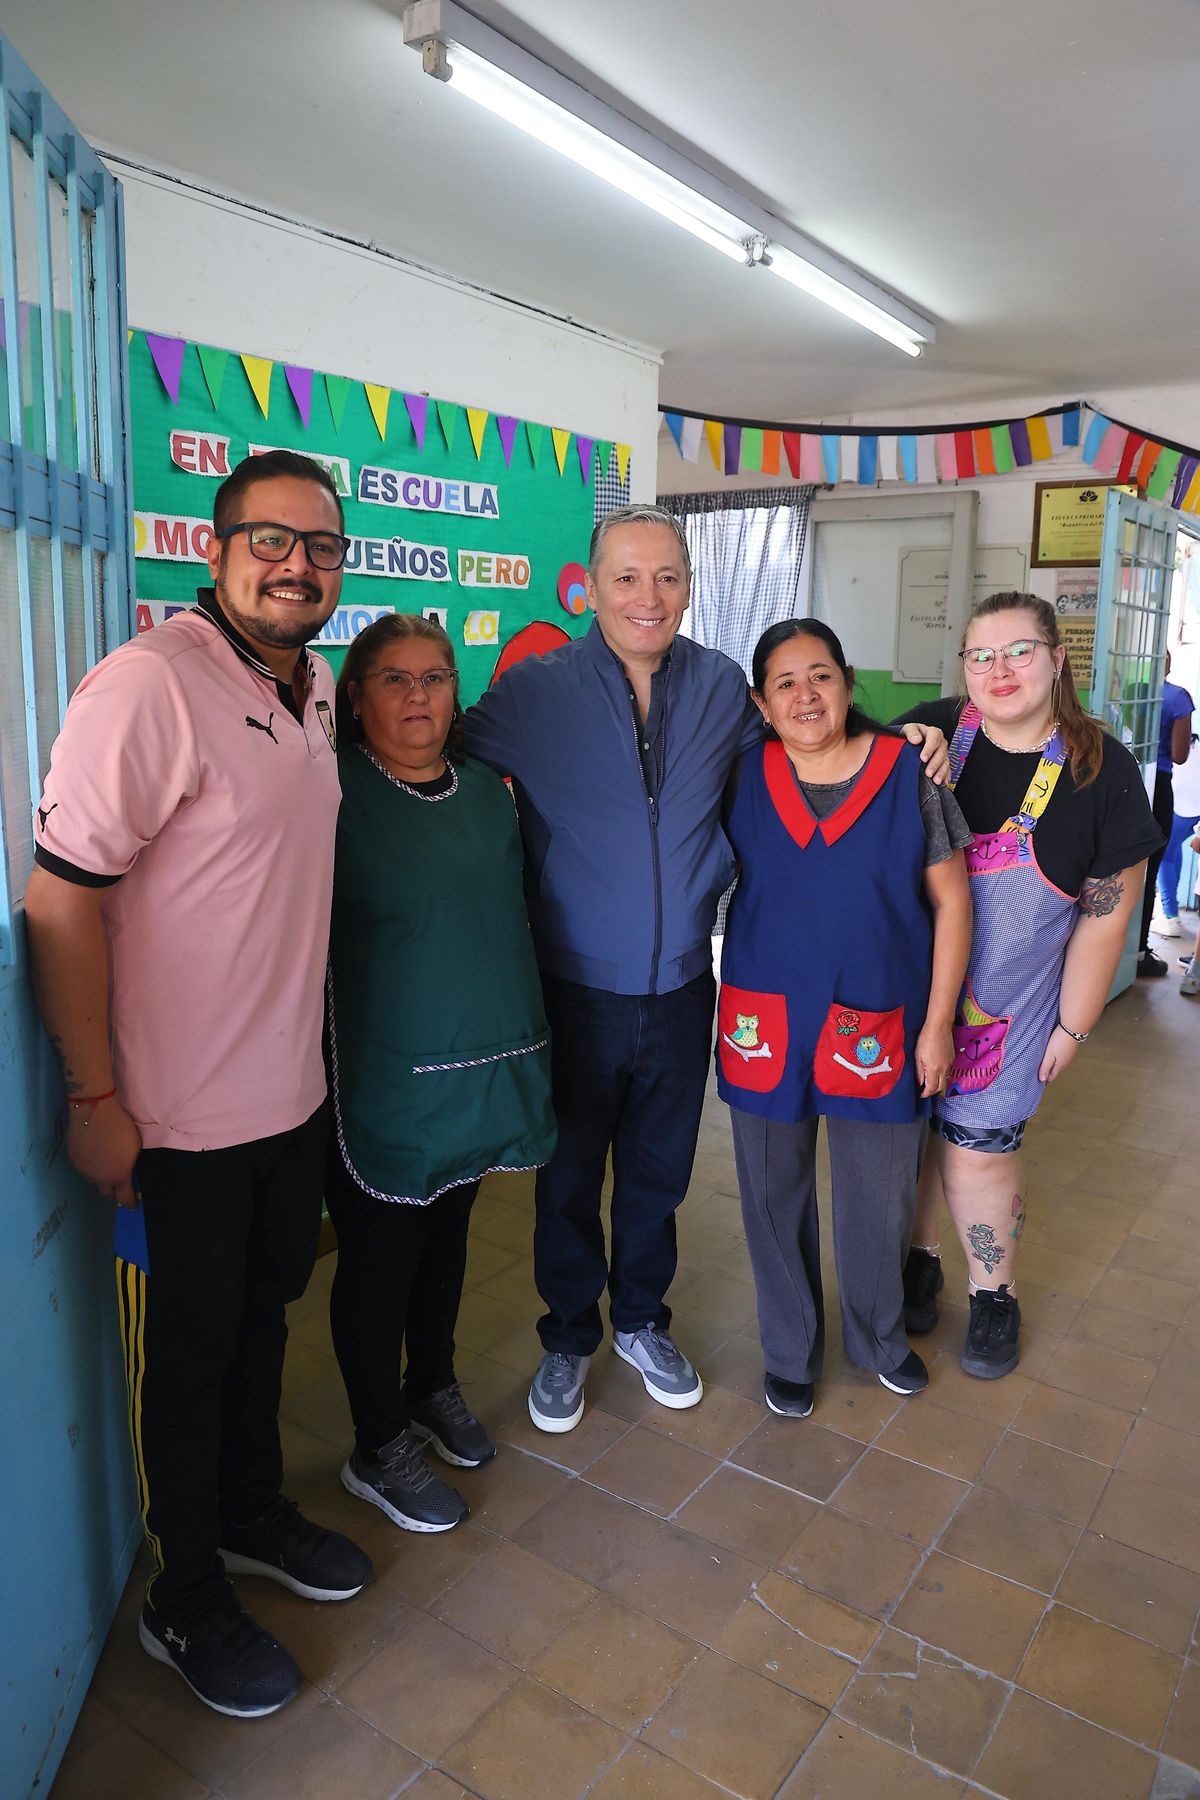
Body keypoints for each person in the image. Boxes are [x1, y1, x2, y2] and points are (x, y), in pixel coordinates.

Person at [465, 504, 952, 1434]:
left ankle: (642, 1324)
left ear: (690, 586)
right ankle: (568, 1339)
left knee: (659, 1175)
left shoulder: (725, 685)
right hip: (576, 987)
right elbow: (438, 751)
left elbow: (813, 733)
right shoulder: (536, 691)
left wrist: (912, 735)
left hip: (687, 988)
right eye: (626, 578)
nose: (647, 597)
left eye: (668, 577)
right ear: (591, 587)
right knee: (570, 1178)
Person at [23, 451, 371, 1719]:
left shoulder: (313, 684)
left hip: (288, 1097)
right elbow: (59, 902)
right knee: (184, 1360)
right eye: (270, 540)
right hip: (174, 1118)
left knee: (262, 1320)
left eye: (321, 547)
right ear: (216, 553)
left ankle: (246, 1512)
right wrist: (94, 1098)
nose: (297, 566)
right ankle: (183, 1595)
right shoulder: (150, 685)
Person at [325, 614, 556, 1533]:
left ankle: (431, 1385)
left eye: (434, 678)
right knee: (381, 1258)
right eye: (395, 679)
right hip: (383, 1075)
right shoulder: (330, 793)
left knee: (448, 1237)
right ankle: (377, 1443)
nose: (418, 696)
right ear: (356, 696)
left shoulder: (489, 792)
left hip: (478, 1068)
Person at [897, 592, 1163, 1378]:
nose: (1000, 670)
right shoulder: (931, 733)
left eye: (1019, 651)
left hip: (1007, 1013)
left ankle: (993, 1294)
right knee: (912, 1139)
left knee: (976, 1151)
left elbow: (1106, 917)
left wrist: (1074, 1025)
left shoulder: (1100, 769)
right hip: (907, 996)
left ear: (1056, 659)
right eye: (981, 655)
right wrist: (902, 741)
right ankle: (919, 1260)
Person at [718, 620, 972, 1413]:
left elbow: (954, 902)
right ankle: (789, 1350)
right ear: (761, 702)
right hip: (765, 1020)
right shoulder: (739, 774)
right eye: (785, 683)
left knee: (881, 1192)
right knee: (771, 1193)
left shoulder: (907, 770)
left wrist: (938, 1024)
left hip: (881, 1021)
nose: (806, 695)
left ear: (848, 681)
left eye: (821, 676)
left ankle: (878, 1338)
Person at [1139, 652, 1193, 971]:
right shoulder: (1178, 698)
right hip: (1158, 785)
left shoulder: (1133, 691)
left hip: (1128, 779)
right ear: (1168, 664)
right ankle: (1139, 952)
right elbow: (1179, 754)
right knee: (1151, 866)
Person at [1153, 710, 1199, 940]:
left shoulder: (1170, 747)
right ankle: (1169, 910)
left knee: (1164, 855)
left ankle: (1170, 916)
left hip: (1184, 807)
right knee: (1172, 851)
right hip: (1191, 808)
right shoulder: (1191, 744)